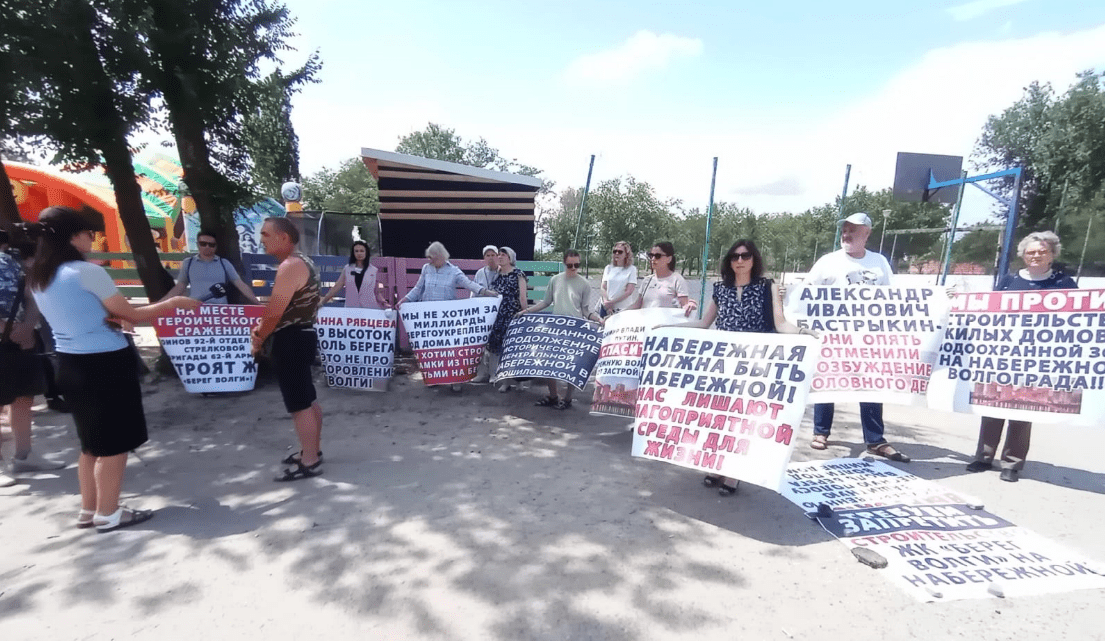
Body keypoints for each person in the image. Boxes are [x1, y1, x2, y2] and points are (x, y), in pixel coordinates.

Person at [28, 206, 200, 531]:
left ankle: (89, 509)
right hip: (104, 363)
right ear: (73, 236)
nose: (91, 238)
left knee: (90, 443)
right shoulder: (86, 271)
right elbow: (132, 314)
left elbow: (87, 315)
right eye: (88, 233)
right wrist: (172, 304)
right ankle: (109, 513)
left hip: (68, 362)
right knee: (115, 445)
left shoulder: (40, 276)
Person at [673, 240, 816, 495]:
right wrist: (667, 329)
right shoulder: (720, 288)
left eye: (745, 256)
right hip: (724, 366)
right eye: (735, 256)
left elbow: (781, 323)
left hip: (756, 366)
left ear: (754, 259)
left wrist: (805, 332)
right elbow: (705, 324)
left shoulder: (768, 287)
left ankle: (734, 473)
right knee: (720, 419)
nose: (740, 261)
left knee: (743, 420)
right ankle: (717, 465)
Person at [966, 231, 1076, 483]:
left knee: (1023, 409)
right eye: (1031, 252)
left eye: (1042, 251)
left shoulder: (1064, 284)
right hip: (1003, 354)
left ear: (1052, 255)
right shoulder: (1009, 281)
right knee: (992, 402)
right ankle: (984, 456)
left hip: (1038, 357)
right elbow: (990, 311)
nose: (1036, 256)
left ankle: (1012, 463)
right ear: (1024, 255)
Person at [804, 212, 909, 462]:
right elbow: (806, 293)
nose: (847, 234)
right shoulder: (828, 262)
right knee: (828, 382)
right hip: (833, 336)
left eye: (853, 230)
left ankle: (875, 439)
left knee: (871, 387)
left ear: (867, 233)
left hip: (869, 338)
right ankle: (821, 432)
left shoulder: (879, 262)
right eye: (845, 229)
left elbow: (893, 297)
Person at [251, 218, 324, 482]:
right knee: (308, 398)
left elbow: (273, 313)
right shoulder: (303, 261)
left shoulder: (290, 266)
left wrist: (258, 338)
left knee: (299, 404)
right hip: (302, 335)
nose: (262, 239)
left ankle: (310, 461)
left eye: (266, 234)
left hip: (290, 339)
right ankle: (311, 450)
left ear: (283, 237)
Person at [0, 231, 64, 486]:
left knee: (24, 397)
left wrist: (27, 326)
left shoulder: (16, 264)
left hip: (23, 339)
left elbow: (31, 294)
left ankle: (24, 457)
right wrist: (7, 329)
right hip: (7, 337)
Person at [396, 241, 498, 392]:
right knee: (430, 349)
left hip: (447, 319)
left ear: (441, 256)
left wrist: (487, 293)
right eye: (429, 258)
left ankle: (455, 381)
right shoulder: (426, 269)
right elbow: (418, 289)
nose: (430, 260)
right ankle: (433, 378)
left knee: (450, 349)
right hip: (428, 317)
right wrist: (404, 300)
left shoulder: (454, 271)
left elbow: (469, 284)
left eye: (432, 257)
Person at [516, 249, 602, 410]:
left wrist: (598, 319)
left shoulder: (584, 284)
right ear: (564, 264)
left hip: (575, 329)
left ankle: (568, 398)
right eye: (570, 265)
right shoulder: (555, 280)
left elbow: (585, 310)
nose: (573, 268)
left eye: (577, 265)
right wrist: (526, 311)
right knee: (550, 363)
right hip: (556, 329)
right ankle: (553, 395)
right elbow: (546, 302)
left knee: (572, 365)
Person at [160, 229, 259, 304]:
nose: (207, 247)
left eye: (211, 244)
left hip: (220, 310)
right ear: (198, 245)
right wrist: (161, 303)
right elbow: (180, 287)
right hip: (196, 309)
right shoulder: (188, 263)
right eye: (203, 244)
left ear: (215, 247)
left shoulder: (224, 263)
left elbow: (240, 285)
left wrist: (258, 303)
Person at [486, 246, 527, 393]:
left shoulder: (518, 274)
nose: (500, 257)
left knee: (514, 350)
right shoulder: (496, 275)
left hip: (513, 316)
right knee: (500, 350)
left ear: (510, 258)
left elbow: (523, 297)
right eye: (499, 255)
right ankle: (505, 381)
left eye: (504, 255)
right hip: (498, 317)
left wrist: (525, 314)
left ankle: (519, 381)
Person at [629, 242, 697, 316]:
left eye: (658, 256)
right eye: (651, 255)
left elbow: (684, 306)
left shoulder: (677, 280)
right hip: (647, 323)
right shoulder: (647, 280)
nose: (653, 259)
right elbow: (637, 305)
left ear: (669, 259)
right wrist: (619, 315)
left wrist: (690, 305)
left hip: (666, 324)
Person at [319, 240, 390, 309]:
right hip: (351, 309)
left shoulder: (374, 271)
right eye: (356, 251)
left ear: (366, 252)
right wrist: (323, 301)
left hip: (369, 310)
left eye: (362, 251)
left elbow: (377, 292)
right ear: (353, 253)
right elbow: (337, 287)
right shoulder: (347, 269)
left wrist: (384, 303)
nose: (359, 253)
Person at [471, 244, 500, 383]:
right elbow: (474, 290)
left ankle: (494, 373)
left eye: (493, 255)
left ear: (497, 256)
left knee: (494, 344)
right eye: (487, 255)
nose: (491, 258)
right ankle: (481, 372)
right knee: (480, 343)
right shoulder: (479, 273)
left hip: (498, 314)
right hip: (481, 314)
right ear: (484, 258)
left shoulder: (502, 271)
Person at [600, 241, 638, 316]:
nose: (617, 253)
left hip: (622, 309)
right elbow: (603, 287)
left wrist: (612, 303)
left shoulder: (631, 269)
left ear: (626, 254)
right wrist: (606, 302)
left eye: (620, 252)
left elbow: (629, 291)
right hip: (606, 308)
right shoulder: (608, 268)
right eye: (615, 251)